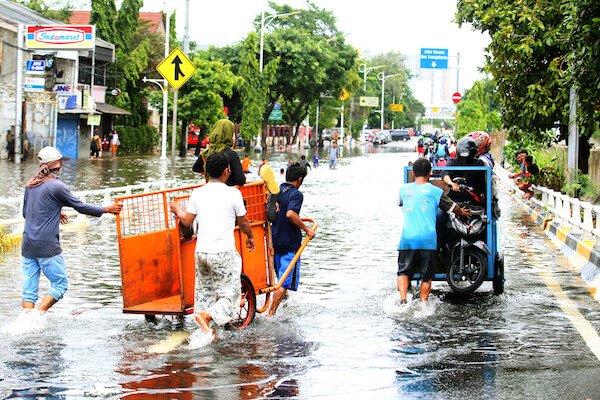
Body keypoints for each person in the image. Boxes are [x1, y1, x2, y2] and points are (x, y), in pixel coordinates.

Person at [20, 146, 122, 319]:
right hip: (47, 246)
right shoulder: (57, 186)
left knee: (29, 290)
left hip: (28, 244)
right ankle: (38, 315)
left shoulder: (31, 184)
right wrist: (107, 209)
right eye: (60, 161)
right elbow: (81, 206)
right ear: (55, 165)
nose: (62, 164)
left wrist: (54, 211)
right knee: (60, 284)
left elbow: (26, 212)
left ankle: (26, 318)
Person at [170, 151, 256, 345]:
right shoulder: (233, 193)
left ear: (207, 172)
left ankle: (206, 334)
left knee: (205, 296)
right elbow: (243, 223)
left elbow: (187, 221)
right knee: (231, 297)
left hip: (201, 253)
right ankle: (207, 319)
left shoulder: (198, 193)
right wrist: (250, 237)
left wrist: (177, 209)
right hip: (224, 253)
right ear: (227, 171)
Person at [397, 158, 471, 304]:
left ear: (413, 172)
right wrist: (462, 212)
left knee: (403, 272)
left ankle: (403, 300)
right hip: (428, 239)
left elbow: (401, 203)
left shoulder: (403, 190)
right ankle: (423, 304)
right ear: (430, 173)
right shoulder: (436, 191)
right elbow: (453, 208)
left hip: (407, 238)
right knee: (426, 276)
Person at [267, 163, 315, 316]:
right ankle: (271, 313)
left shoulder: (276, 191)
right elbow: (290, 214)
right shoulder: (296, 194)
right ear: (299, 180)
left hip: (275, 243)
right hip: (289, 244)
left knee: (280, 280)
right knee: (284, 282)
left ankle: (283, 309)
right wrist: (307, 229)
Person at [192, 119, 246, 187]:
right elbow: (240, 180)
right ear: (228, 135)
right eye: (233, 133)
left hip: (210, 191)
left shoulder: (206, 153)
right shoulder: (232, 155)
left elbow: (196, 168)